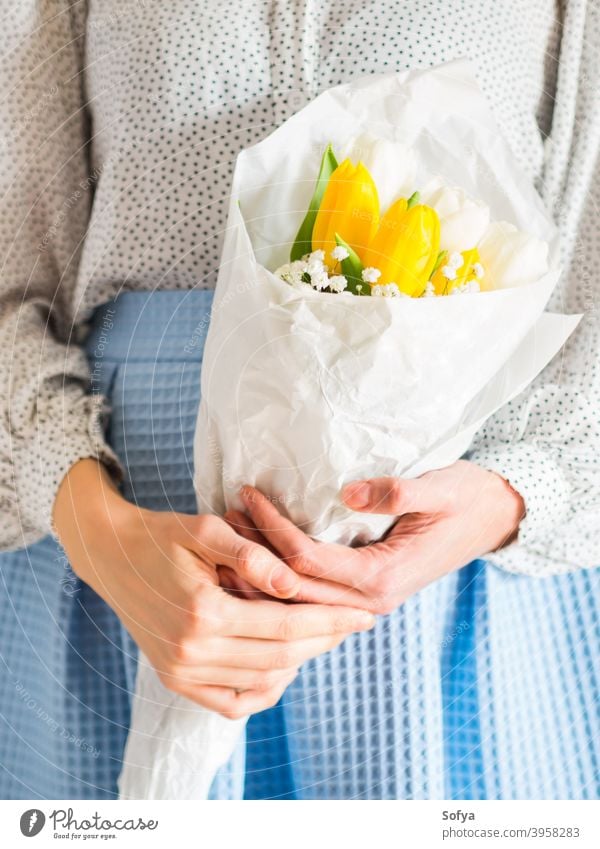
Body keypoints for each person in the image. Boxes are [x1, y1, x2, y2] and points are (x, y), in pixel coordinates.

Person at [0, 0, 598, 800]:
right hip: (115, 565)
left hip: (433, 596)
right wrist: (98, 530)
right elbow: (11, 280)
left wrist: (508, 496)